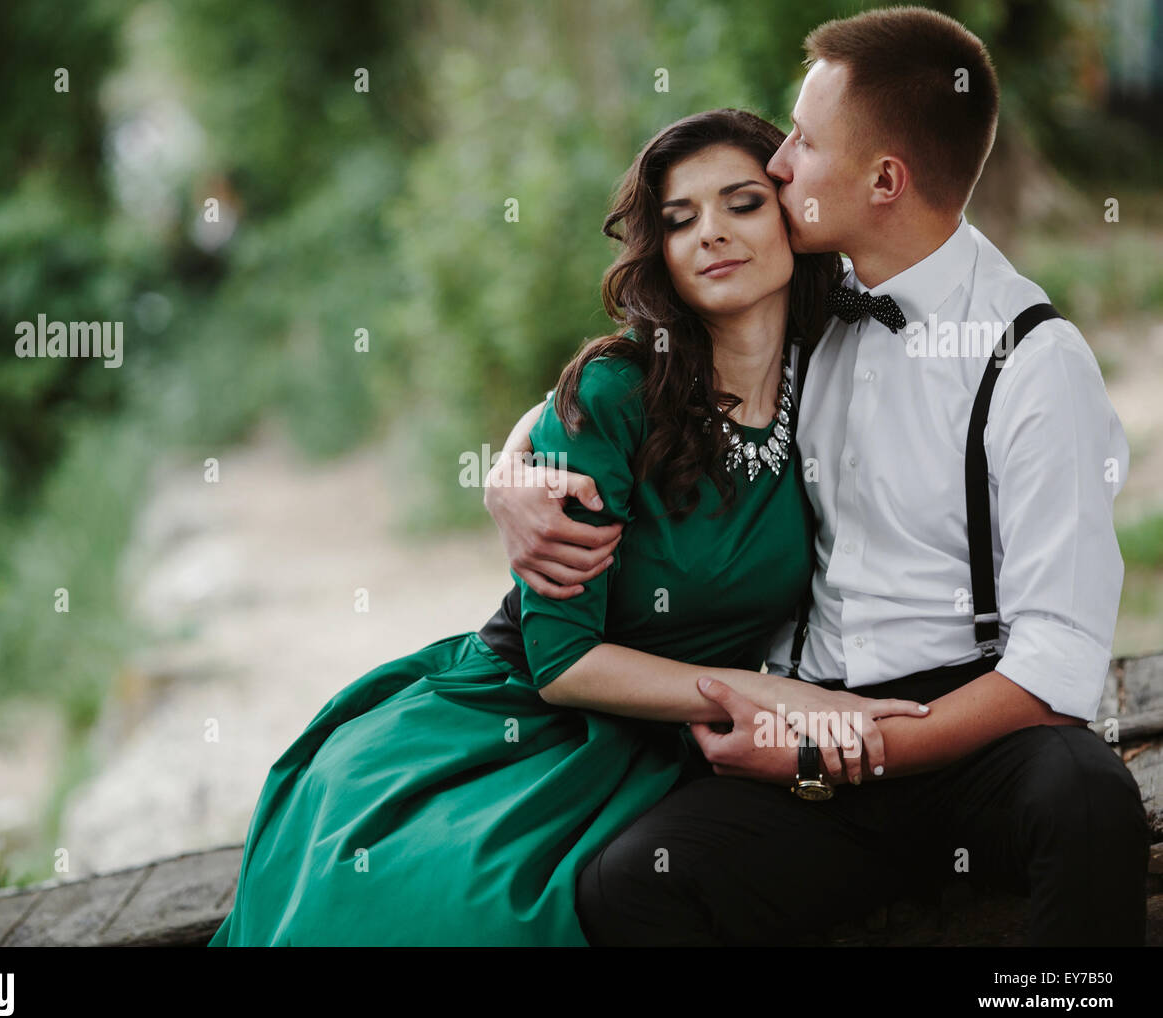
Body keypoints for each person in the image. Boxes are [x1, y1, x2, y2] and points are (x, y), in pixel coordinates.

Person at [485, 6, 1151, 947]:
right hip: (811, 740)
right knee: (635, 883)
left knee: (1087, 799)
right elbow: (646, 378)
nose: (781, 162)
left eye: (803, 138)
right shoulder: (809, 311)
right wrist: (515, 468)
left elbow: (1056, 667)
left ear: (885, 178)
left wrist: (856, 745)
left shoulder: (1033, 360)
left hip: (968, 732)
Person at [208, 108, 933, 947]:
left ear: (789, 214)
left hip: (677, 739)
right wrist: (777, 696)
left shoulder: (837, 363)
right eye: (680, 219)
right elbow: (560, 660)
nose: (712, 235)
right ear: (657, 251)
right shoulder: (615, 393)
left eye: (741, 203)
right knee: (452, 910)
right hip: (522, 721)